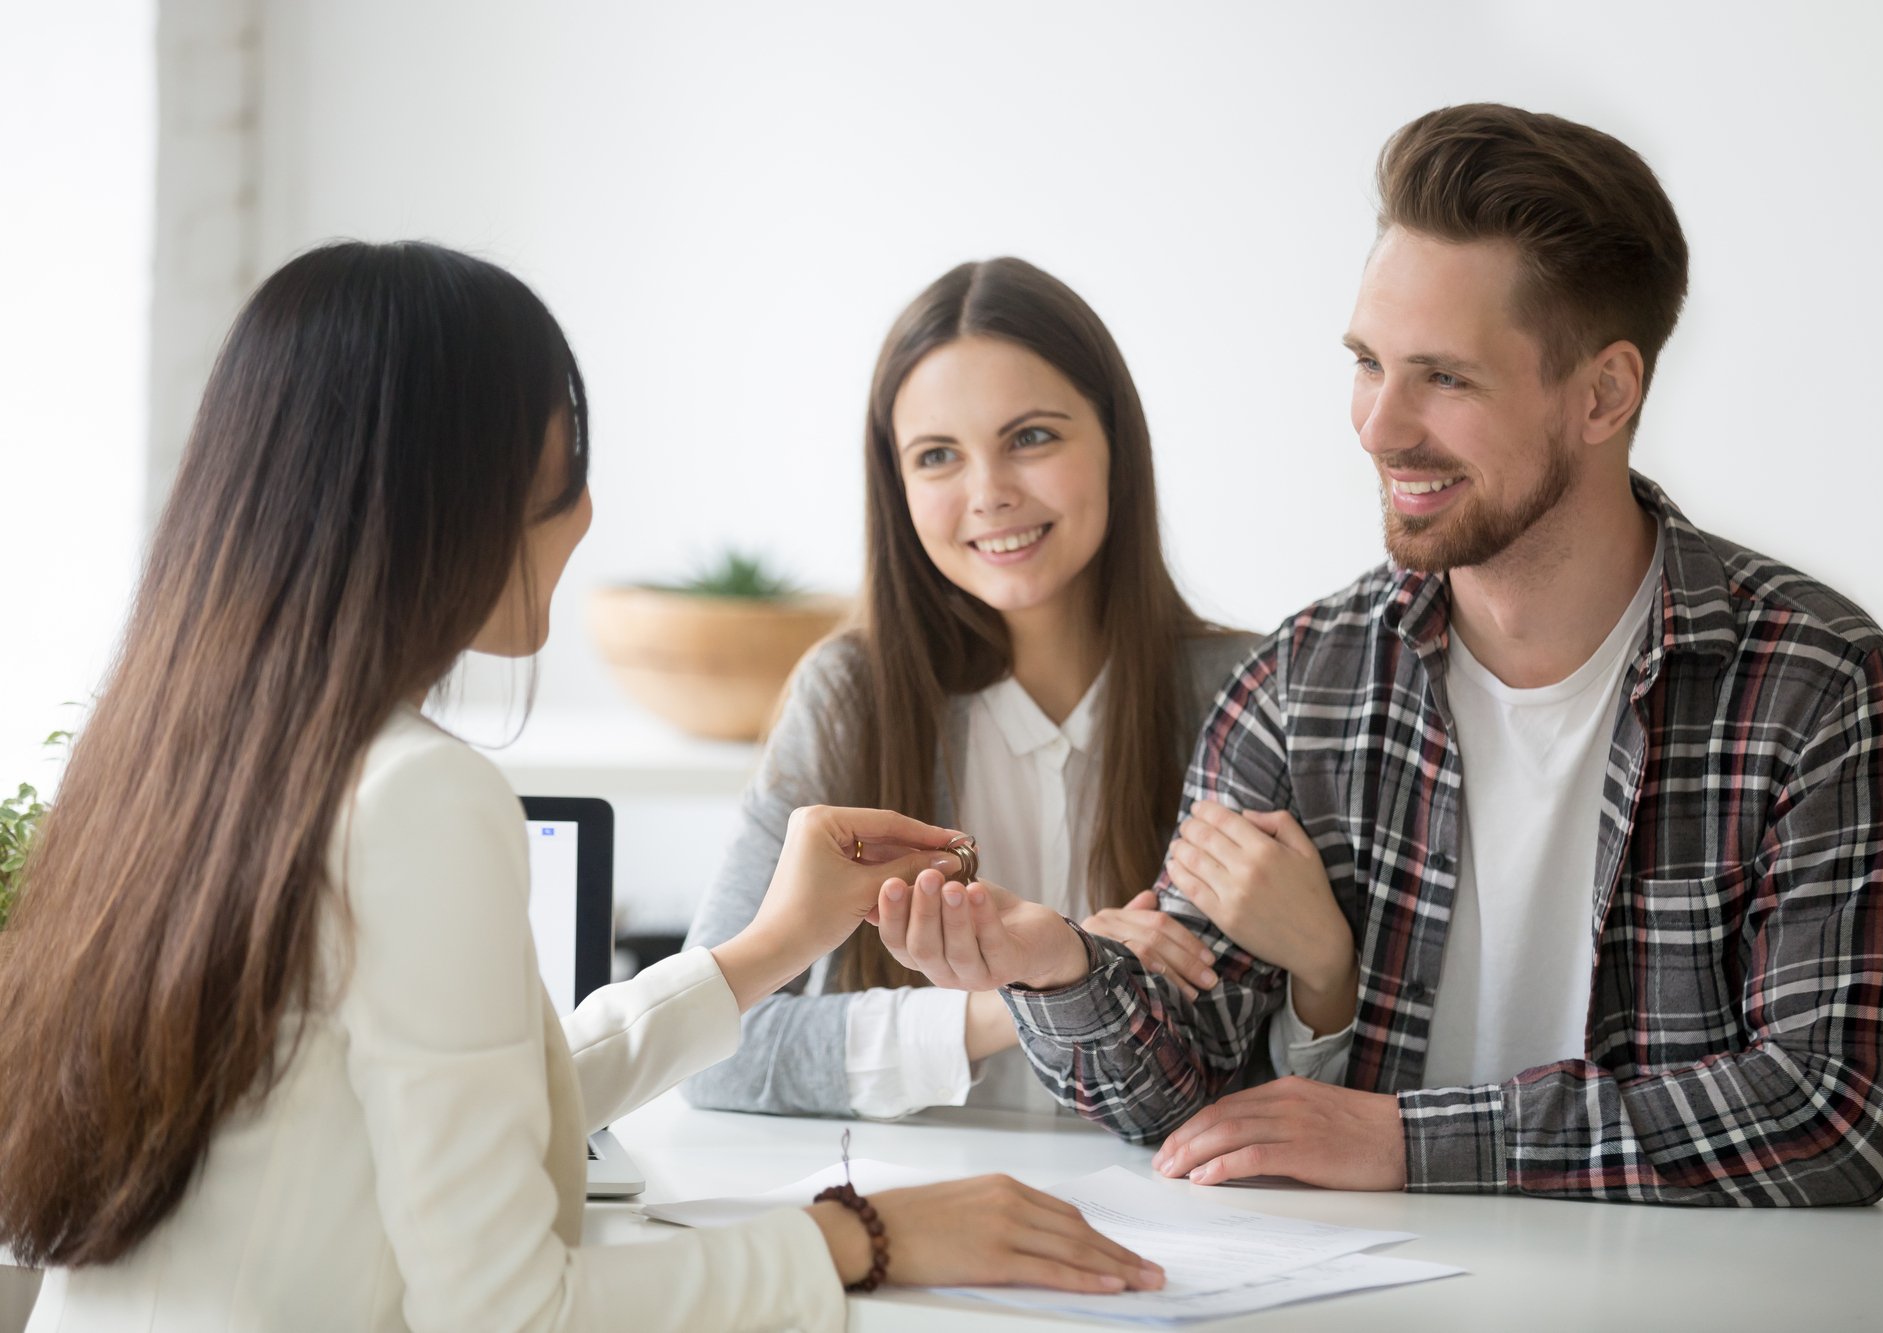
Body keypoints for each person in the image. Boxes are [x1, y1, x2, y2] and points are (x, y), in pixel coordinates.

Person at [0, 241, 1163, 1331]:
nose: (584, 510)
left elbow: (497, 1097)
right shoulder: (416, 797)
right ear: (447, 493)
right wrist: (855, 1235)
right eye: (562, 464)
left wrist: (766, 949)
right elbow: (509, 1308)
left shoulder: (172, 755)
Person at [868, 104, 1883, 1206]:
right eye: (1366, 363)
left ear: (1603, 394)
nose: (1378, 427)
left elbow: (1826, 1114)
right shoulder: (1303, 683)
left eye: (1444, 377)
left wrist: (1406, 1140)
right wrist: (1058, 968)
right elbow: (1178, 1088)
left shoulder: (1814, 682)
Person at [683, 258, 1260, 1119]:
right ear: (899, 486)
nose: (989, 494)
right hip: (924, 1211)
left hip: (1190, 1216)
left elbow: (1282, 1049)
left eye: (1031, 437)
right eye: (939, 456)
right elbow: (710, 1048)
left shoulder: (1242, 694)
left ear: (1115, 442)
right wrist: (1037, 979)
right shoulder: (850, 700)